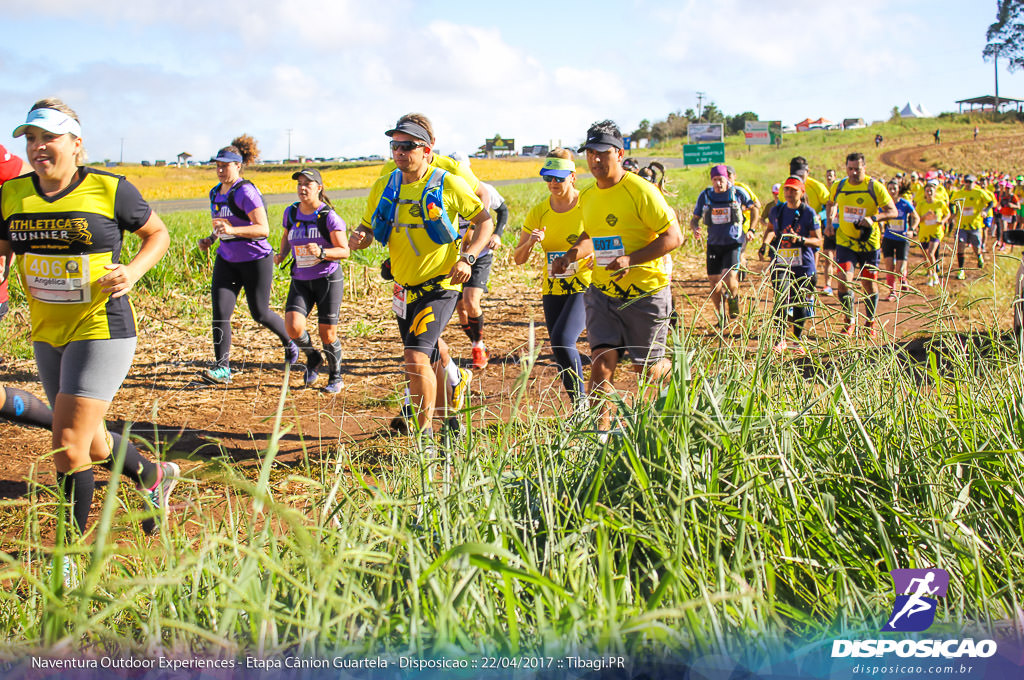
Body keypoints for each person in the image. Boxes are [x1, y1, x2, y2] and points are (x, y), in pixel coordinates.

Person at [0, 98, 176, 540]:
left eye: (50, 138)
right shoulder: (12, 194)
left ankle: (69, 558)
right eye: (32, 139)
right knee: (93, 444)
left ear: (76, 144)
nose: (39, 147)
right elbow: (3, 247)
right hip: (46, 330)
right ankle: (153, 476)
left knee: (68, 445)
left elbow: (158, 233)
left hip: (102, 326)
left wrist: (132, 272)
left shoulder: (109, 189)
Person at [349, 114, 493, 440]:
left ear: (426, 150)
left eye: (408, 146)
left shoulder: (447, 182)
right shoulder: (384, 186)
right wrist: (359, 237)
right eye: (395, 146)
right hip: (404, 290)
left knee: (414, 358)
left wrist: (468, 257)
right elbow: (368, 228)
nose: (400, 152)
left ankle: (424, 438)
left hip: (439, 287)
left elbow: (484, 219)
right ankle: (450, 421)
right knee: (429, 356)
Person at [551, 120, 682, 428]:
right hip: (602, 293)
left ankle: (678, 398)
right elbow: (591, 235)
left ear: (619, 153)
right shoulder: (589, 195)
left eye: (602, 153)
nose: (595, 159)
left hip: (646, 293)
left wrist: (631, 260)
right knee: (601, 363)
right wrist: (572, 254)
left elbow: (674, 237)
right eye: (590, 153)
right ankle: (600, 439)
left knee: (647, 371)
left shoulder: (641, 191)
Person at [198, 142, 298, 384]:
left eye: (226, 166)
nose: (221, 170)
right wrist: (211, 239)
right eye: (218, 166)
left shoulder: (245, 192)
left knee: (259, 313)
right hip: (227, 259)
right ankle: (222, 368)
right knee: (220, 313)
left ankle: (290, 341)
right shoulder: (215, 193)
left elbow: (263, 229)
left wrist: (233, 229)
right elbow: (221, 225)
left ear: (238, 166)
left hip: (255, 260)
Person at [513, 150, 591, 408]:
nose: (553, 183)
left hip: (585, 284)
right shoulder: (539, 211)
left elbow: (601, 237)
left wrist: (591, 255)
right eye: (548, 178)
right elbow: (518, 258)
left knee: (563, 339)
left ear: (572, 177)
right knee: (560, 349)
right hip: (553, 287)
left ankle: (582, 406)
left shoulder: (586, 204)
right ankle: (580, 407)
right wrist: (531, 243)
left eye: (558, 178)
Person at [272, 169, 350, 393]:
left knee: (327, 333)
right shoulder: (291, 212)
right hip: (301, 278)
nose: (302, 188)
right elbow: (287, 236)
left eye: (308, 184)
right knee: (293, 327)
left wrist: (322, 252)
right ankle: (313, 357)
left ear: (319, 188)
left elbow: (344, 251)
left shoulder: (328, 217)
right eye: (299, 184)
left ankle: (335, 377)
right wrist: (281, 255)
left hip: (327, 279)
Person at [825, 152, 898, 338]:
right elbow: (830, 203)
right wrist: (829, 222)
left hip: (869, 244)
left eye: (857, 169)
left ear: (864, 167)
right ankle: (849, 321)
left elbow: (893, 211)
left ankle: (870, 322)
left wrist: (874, 218)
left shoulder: (875, 187)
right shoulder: (839, 186)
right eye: (850, 168)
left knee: (869, 285)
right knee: (843, 280)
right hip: (845, 242)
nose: (853, 172)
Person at [451, 157, 508, 370]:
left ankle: (477, 346)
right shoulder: (445, 190)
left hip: (481, 254)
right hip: (455, 256)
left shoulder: (484, 189)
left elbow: (502, 210)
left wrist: (498, 234)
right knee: (461, 309)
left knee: (471, 301)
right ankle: (477, 343)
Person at [758, 176, 822, 353]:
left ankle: (797, 340)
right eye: (787, 189)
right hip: (781, 262)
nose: (789, 193)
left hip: (803, 265)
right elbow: (771, 230)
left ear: (802, 192)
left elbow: (818, 241)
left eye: (794, 190)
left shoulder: (809, 213)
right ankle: (779, 340)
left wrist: (801, 240)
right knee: (781, 299)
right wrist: (765, 244)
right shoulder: (777, 211)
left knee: (799, 301)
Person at [689, 164, 757, 325]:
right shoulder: (705, 195)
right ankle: (721, 316)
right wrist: (695, 229)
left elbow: (755, 209)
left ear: (727, 179)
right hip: (713, 244)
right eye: (715, 180)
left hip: (733, 242)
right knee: (714, 282)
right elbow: (694, 218)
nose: (718, 183)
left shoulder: (737, 193)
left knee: (729, 277)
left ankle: (734, 299)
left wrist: (752, 229)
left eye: (721, 179)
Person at [879, 178, 919, 300]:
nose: (892, 191)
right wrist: (880, 229)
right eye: (889, 189)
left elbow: (916, 217)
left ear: (898, 190)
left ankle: (903, 279)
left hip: (902, 239)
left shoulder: (905, 204)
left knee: (899, 269)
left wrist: (912, 229)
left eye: (894, 188)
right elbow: (880, 217)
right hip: (888, 238)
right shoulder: (885, 205)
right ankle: (892, 292)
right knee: (889, 267)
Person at [950, 174, 993, 280]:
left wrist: (985, 211)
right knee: (960, 245)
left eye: (970, 182)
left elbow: (991, 203)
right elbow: (951, 203)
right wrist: (953, 212)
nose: (968, 184)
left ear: (975, 183)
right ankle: (961, 270)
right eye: (966, 182)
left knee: (976, 247)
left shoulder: (979, 193)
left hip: (975, 225)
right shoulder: (959, 193)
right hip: (961, 225)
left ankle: (979, 256)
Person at [916, 180, 951, 286]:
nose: (929, 193)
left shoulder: (940, 203)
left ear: (935, 192)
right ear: (924, 193)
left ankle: (934, 275)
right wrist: (925, 216)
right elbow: (917, 219)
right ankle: (930, 274)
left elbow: (948, 214)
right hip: (924, 232)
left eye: (931, 191)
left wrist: (943, 221)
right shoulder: (921, 204)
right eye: (927, 191)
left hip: (936, 232)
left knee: (930, 253)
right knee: (925, 257)